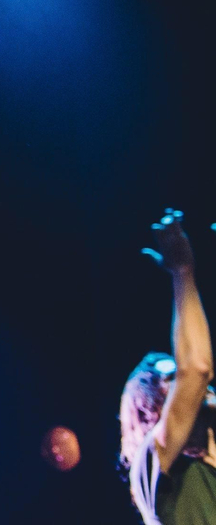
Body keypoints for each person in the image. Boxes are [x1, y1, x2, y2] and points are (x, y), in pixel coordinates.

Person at [121, 210, 216, 524]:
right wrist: (183, 273)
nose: (189, 383)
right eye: (173, 377)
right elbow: (198, 366)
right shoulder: (155, 465)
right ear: (149, 407)